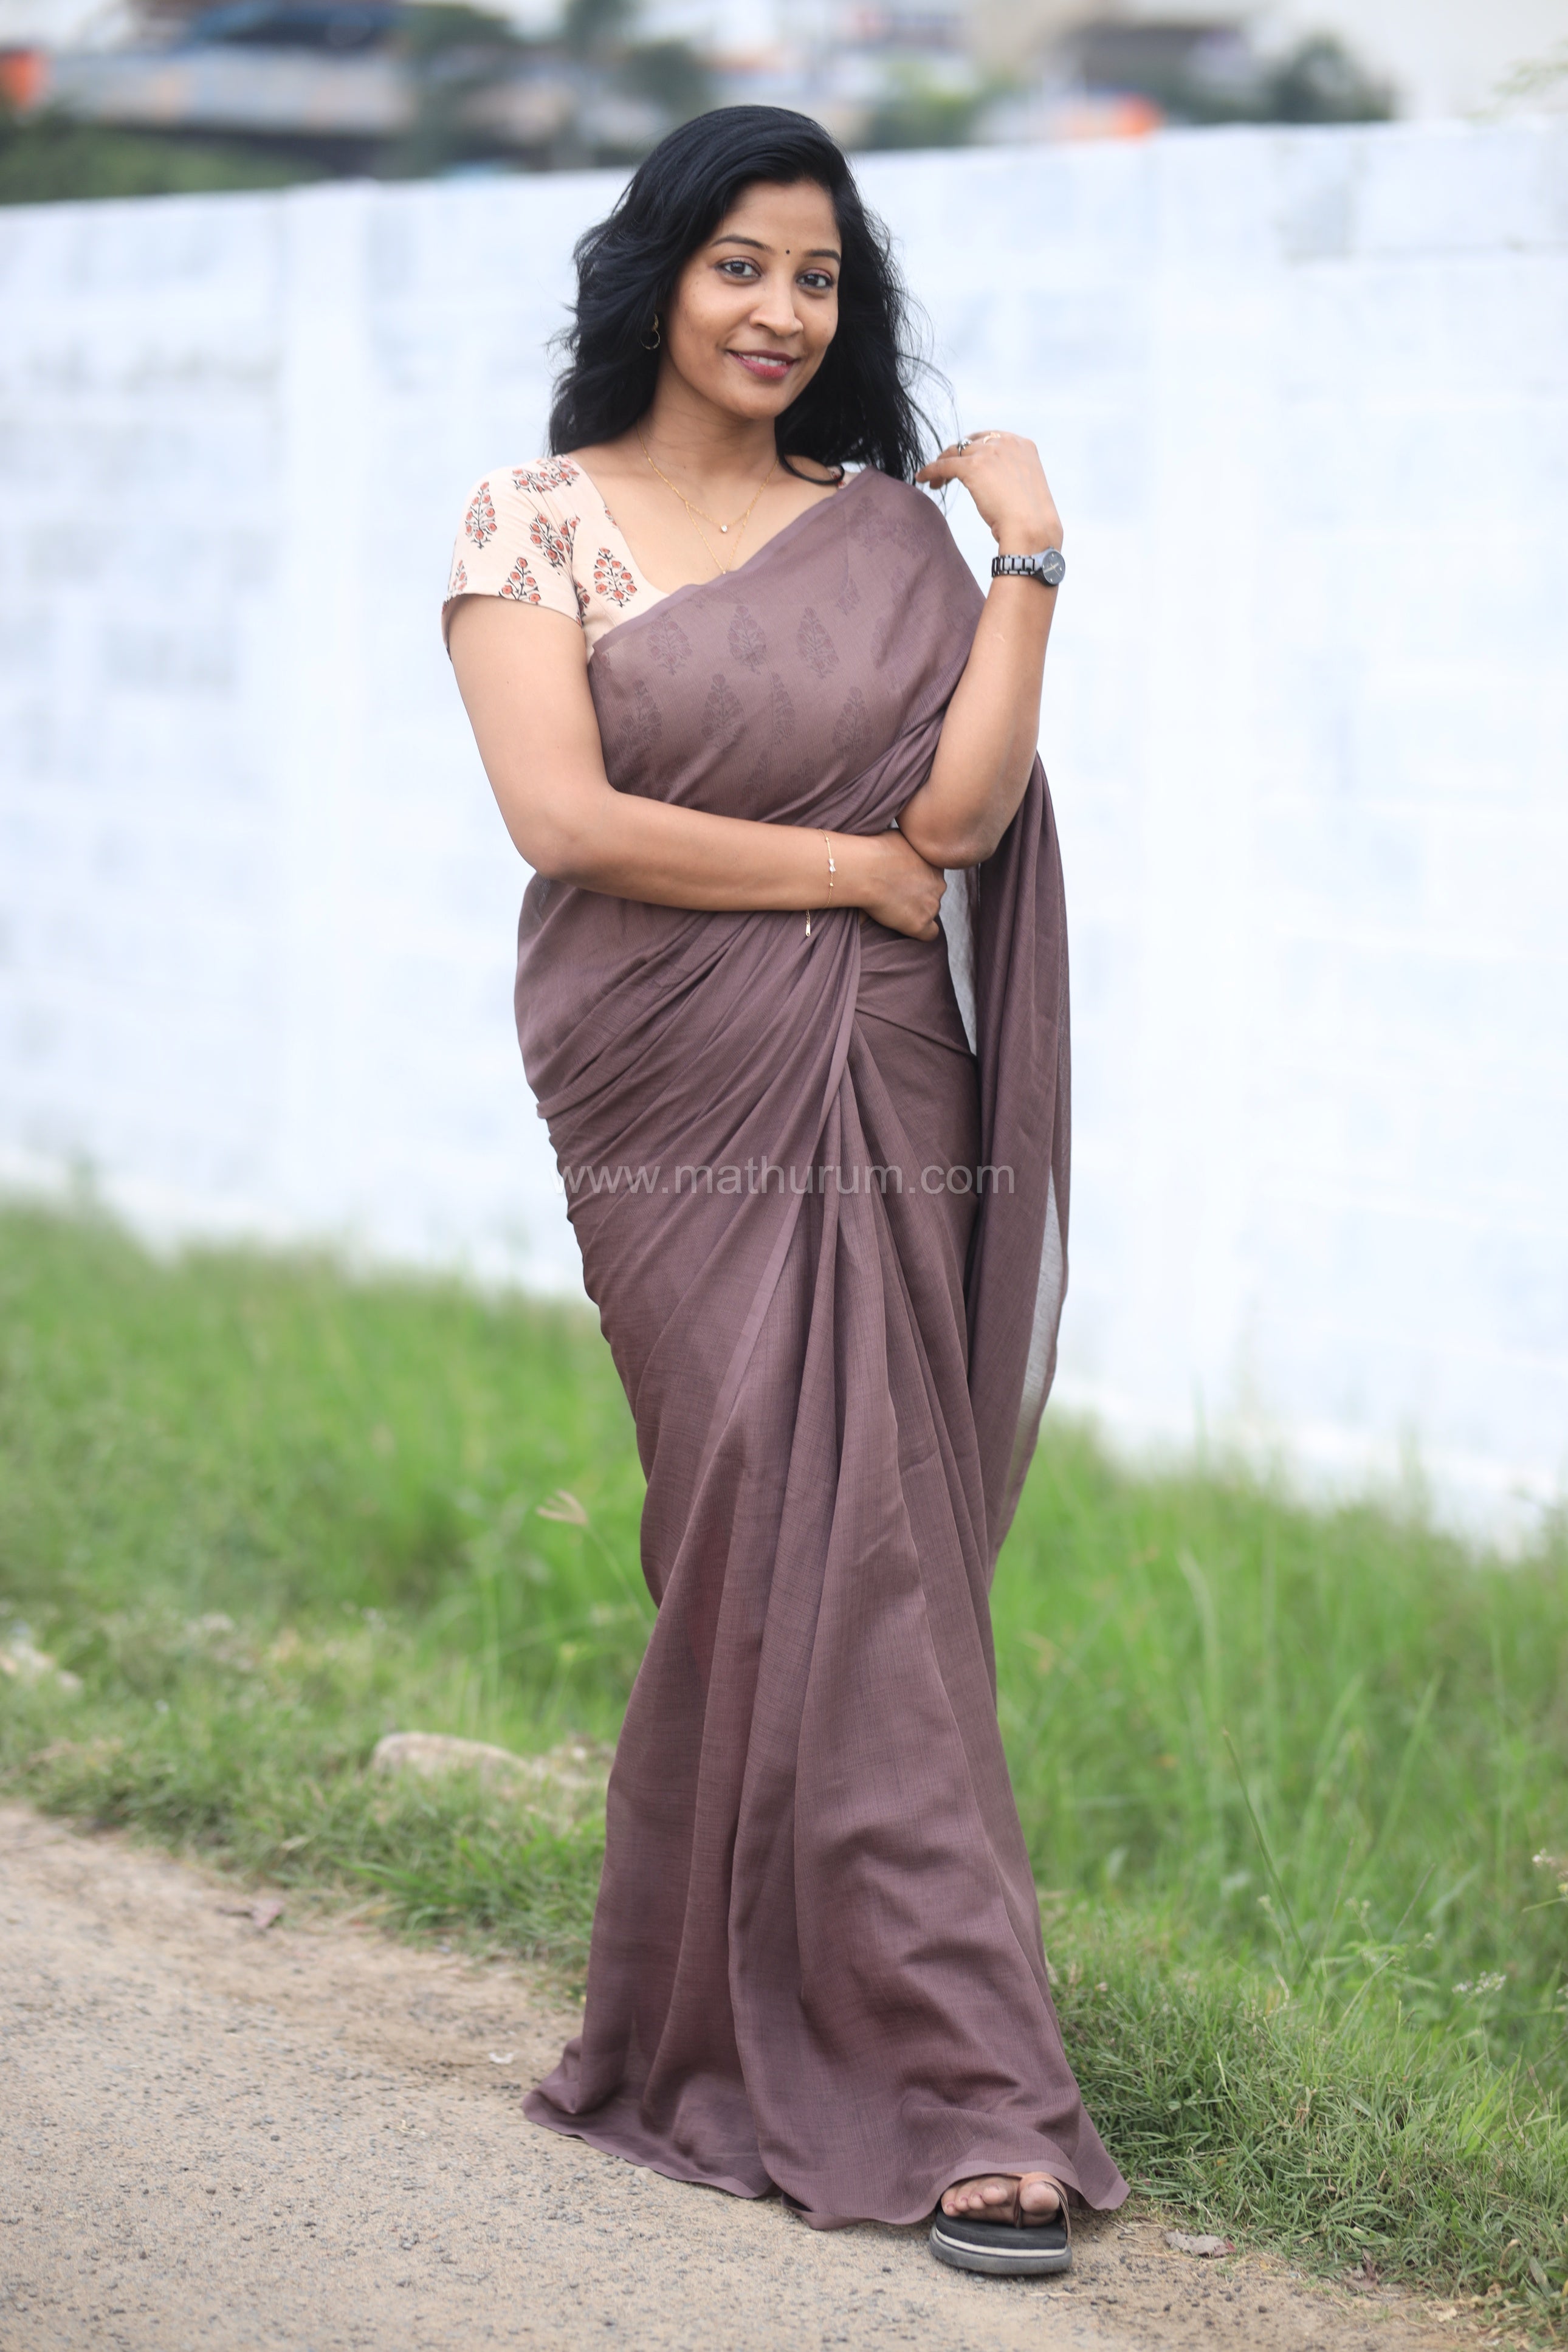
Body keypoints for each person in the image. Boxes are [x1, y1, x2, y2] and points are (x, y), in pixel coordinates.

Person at [444, 103, 1126, 2276]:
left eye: (818, 276)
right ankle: (732, 2008)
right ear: (657, 273)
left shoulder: (890, 538)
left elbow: (962, 815)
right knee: (751, 1511)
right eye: (740, 263)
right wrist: (838, 873)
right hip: (663, 1074)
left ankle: (966, 2076)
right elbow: (565, 821)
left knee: (877, 1537)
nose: (780, 310)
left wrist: (1025, 558)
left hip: (878, 1066)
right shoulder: (534, 519)